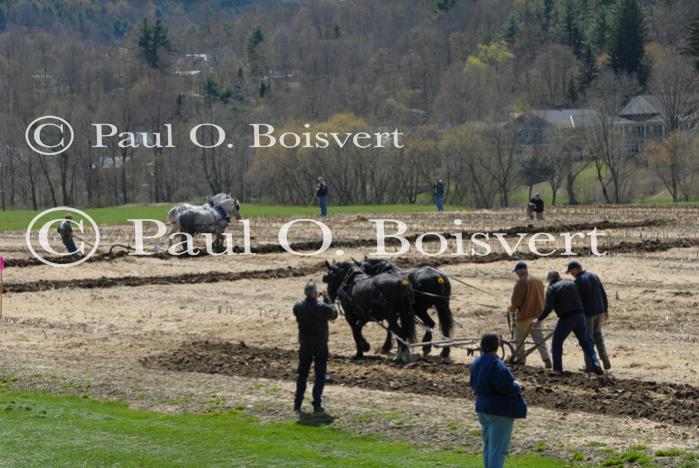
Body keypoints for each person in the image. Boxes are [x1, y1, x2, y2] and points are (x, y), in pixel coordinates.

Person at [470, 332, 527, 468]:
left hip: (482, 408)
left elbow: (473, 383)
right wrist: (517, 385)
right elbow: (505, 386)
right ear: (498, 346)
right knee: (498, 451)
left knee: (488, 447)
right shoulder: (496, 364)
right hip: (499, 411)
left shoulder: (476, 362)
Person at [534, 271, 603, 375]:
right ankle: (595, 363)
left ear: (550, 279)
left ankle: (557, 369)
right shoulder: (572, 283)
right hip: (580, 316)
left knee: (557, 343)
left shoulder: (552, 288)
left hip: (566, 318)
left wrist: (539, 319)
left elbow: (549, 307)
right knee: (586, 342)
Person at [293, 280, 338, 413]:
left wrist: (315, 299)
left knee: (302, 375)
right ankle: (316, 403)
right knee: (319, 375)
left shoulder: (298, 307)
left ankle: (298, 403)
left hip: (305, 344)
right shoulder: (323, 307)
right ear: (314, 293)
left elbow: (306, 307)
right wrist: (327, 298)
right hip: (320, 344)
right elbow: (334, 314)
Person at [566, 260, 611, 371]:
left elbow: (578, 301)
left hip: (588, 314)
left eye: (571, 271)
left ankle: (590, 366)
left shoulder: (578, 282)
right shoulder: (594, 276)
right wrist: (605, 309)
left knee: (587, 340)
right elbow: (603, 293)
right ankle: (605, 359)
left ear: (576, 269)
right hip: (600, 311)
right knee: (598, 337)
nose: (571, 274)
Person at [508, 261, 552, 368]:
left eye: (517, 271)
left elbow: (516, 301)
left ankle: (521, 360)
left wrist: (511, 309)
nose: (516, 274)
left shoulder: (522, 282)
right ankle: (546, 359)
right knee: (539, 339)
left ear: (521, 270)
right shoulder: (538, 281)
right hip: (538, 315)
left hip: (524, 316)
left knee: (520, 339)